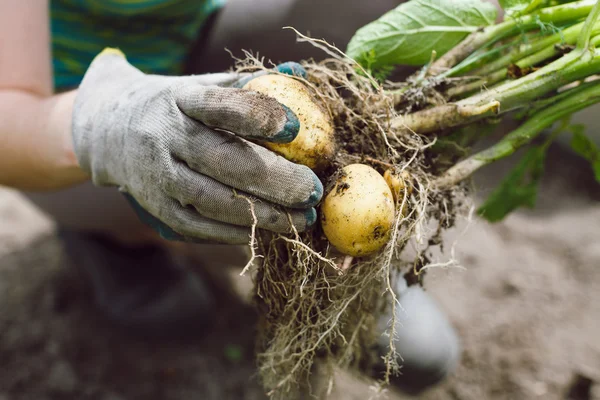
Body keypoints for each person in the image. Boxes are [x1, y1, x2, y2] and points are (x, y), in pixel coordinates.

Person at [1, 0, 460, 395]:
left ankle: (340, 265)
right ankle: (113, 236)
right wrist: (102, 126)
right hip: (59, 116)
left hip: (190, 39)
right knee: (178, 305)